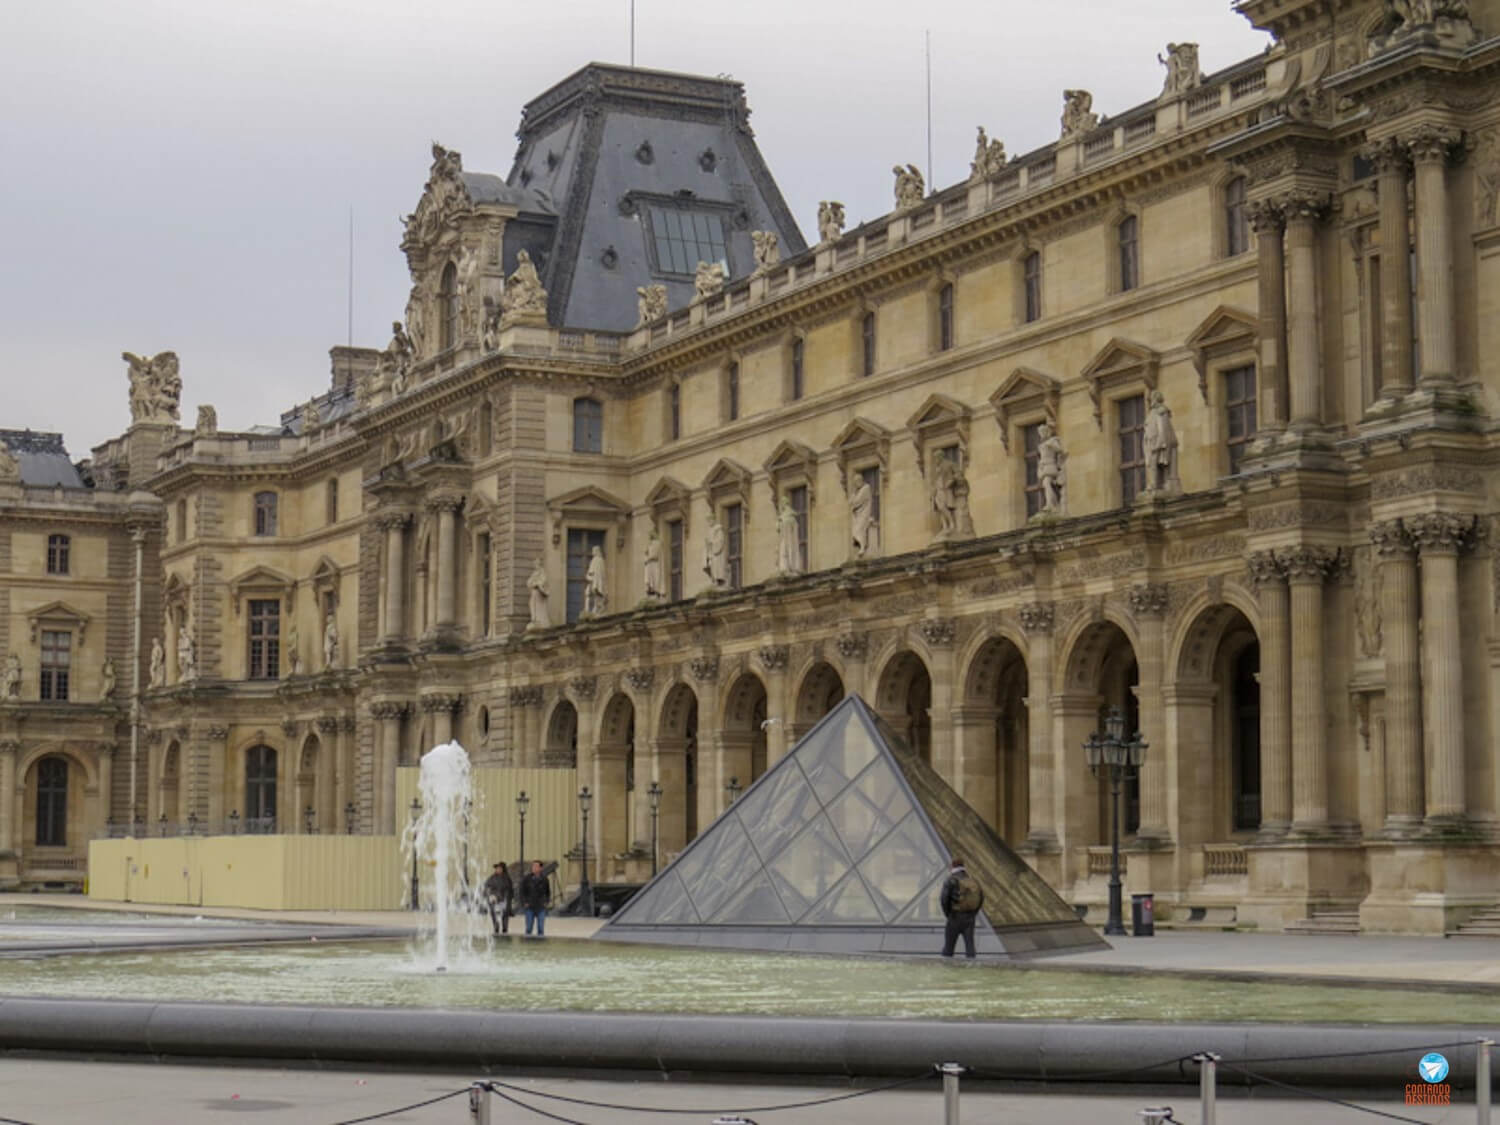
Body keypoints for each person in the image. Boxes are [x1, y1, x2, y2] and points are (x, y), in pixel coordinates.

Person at [939, 857, 984, 960]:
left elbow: (944, 899)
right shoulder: (973, 880)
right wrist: (973, 913)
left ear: (952, 866)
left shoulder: (951, 880)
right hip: (969, 918)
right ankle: (972, 969)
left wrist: (948, 914)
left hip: (954, 917)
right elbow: (981, 898)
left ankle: (945, 969)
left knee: (948, 948)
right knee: (970, 947)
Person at [518, 859, 551, 937]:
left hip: (541, 906)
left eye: (536, 866)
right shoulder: (526, 879)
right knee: (529, 928)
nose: (534, 868)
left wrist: (546, 901)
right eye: (533, 866)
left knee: (540, 928)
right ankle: (528, 945)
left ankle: (540, 945)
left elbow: (548, 892)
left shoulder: (544, 879)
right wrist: (524, 902)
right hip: (530, 906)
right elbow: (522, 892)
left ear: (540, 868)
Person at [483, 861, 514, 936]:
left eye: (499, 868)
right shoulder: (492, 878)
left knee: (504, 918)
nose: (498, 870)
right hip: (495, 902)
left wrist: (508, 899)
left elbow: (510, 890)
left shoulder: (507, 879)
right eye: (497, 868)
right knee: (495, 919)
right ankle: (496, 930)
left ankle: (504, 931)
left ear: (503, 869)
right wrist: (491, 896)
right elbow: (487, 888)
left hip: (504, 901)